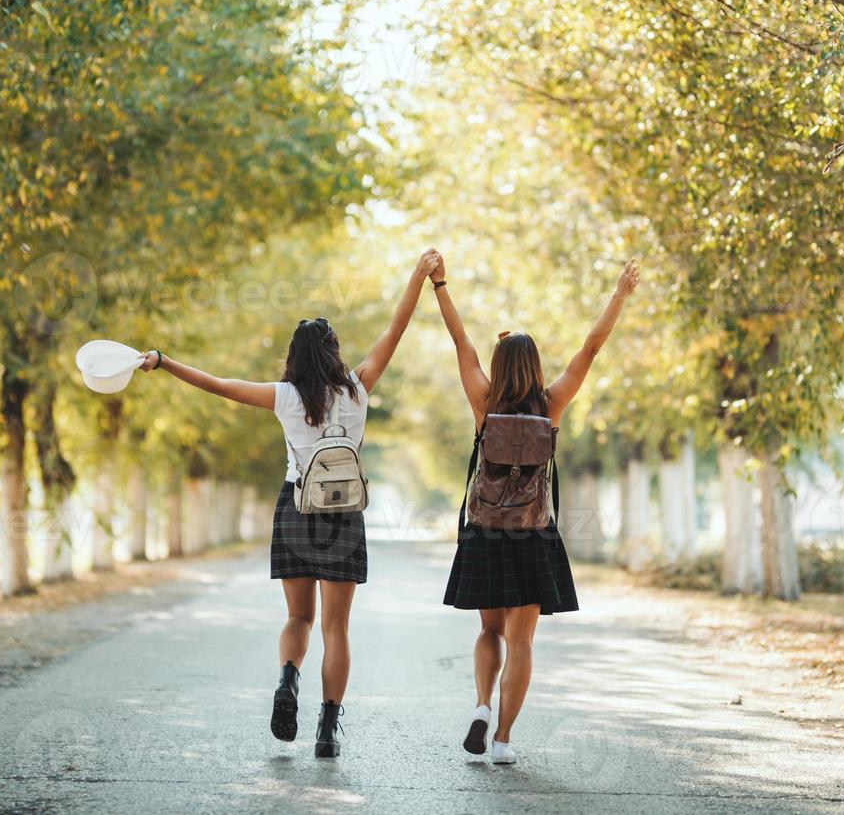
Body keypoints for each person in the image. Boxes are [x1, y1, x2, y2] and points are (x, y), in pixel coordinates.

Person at [135, 250, 441, 758]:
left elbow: (217, 385)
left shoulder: (284, 396)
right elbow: (396, 330)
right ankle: (326, 729)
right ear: (334, 351)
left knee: (298, 619)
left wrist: (163, 361)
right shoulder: (359, 389)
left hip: (296, 508)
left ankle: (287, 679)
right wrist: (418, 278)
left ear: (294, 357)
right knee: (336, 627)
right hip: (344, 514)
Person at [430, 255, 640, 764]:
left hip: (484, 530)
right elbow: (591, 348)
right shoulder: (552, 403)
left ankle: (481, 704)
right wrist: (619, 294)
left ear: (500, 368)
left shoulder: (484, 400)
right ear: (537, 367)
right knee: (521, 643)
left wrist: (439, 286)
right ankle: (502, 740)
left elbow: (462, 344)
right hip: (532, 533)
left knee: (488, 631)